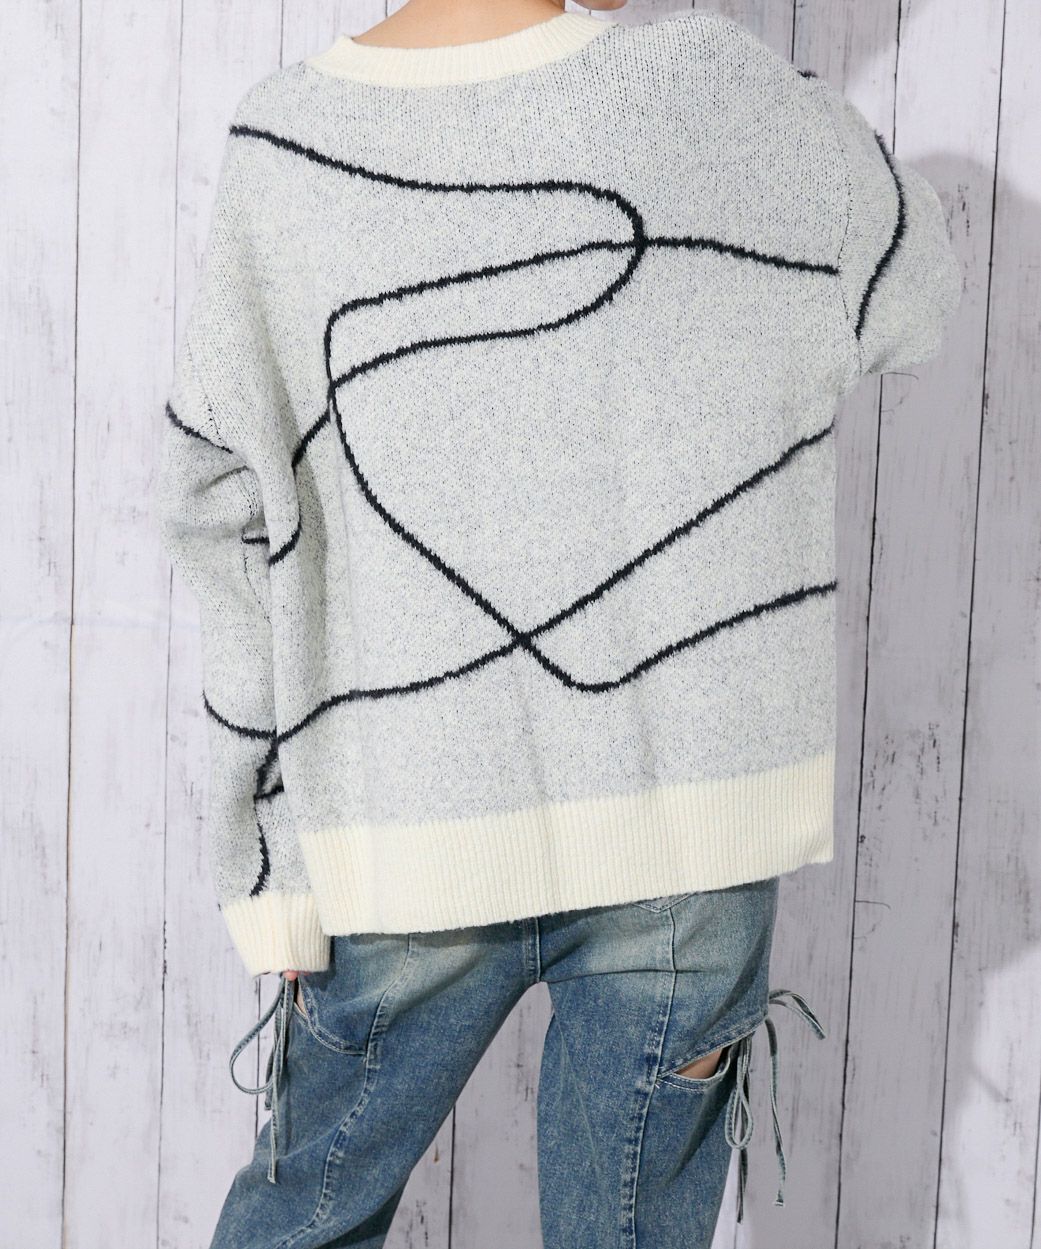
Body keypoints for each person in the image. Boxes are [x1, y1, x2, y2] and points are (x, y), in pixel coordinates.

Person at [154, 1, 962, 1245]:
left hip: (401, 816)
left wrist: (260, 861)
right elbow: (919, 291)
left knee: (302, 1224)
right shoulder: (734, 93)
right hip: (692, 828)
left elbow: (219, 505)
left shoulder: (291, 145)